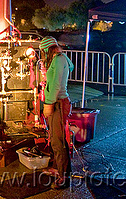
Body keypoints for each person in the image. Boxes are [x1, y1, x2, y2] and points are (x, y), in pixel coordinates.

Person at [39, 36, 74, 189]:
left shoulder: (59, 60)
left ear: (47, 49)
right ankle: (60, 168)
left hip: (58, 103)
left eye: (43, 51)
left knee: (58, 141)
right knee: (54, 137)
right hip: (57, 102)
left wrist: (48, 103)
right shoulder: (58, 59)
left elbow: (57, 85)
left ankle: (63, 177)